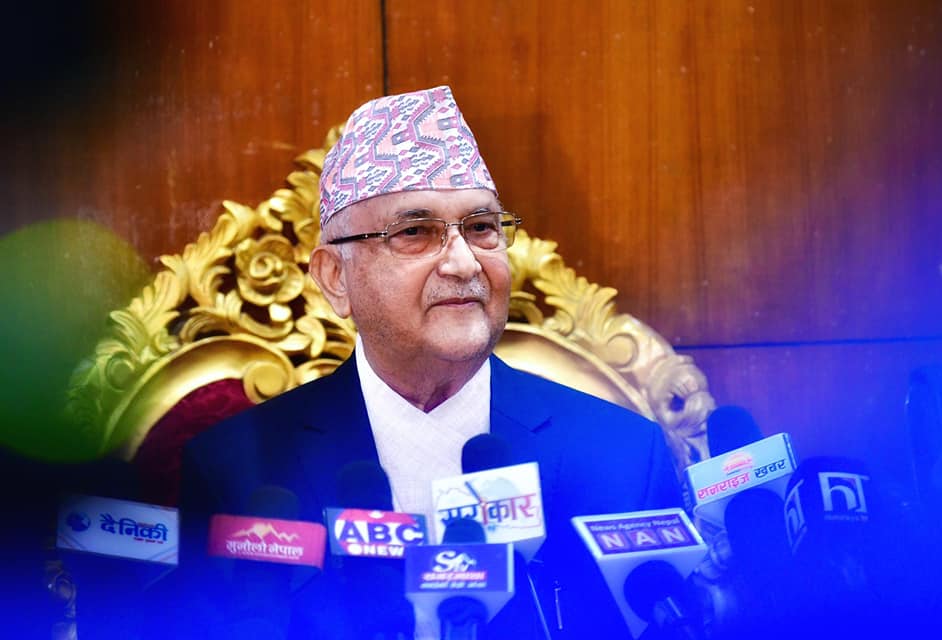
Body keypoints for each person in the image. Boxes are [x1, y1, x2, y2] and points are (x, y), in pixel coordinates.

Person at [161, 86, 683, 639]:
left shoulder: (623, 456)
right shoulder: (235, 469)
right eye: (415, 232)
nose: (464, 263)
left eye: (481, 228)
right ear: (336, 279)